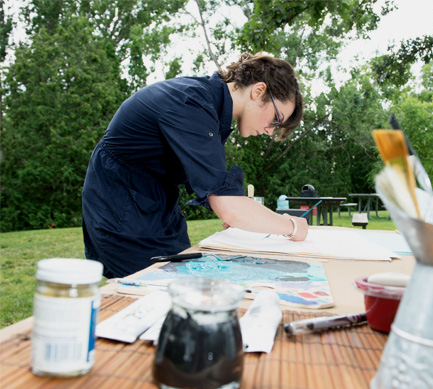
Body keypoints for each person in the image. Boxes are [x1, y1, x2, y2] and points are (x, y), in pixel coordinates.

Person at [82, 52, 308, 279]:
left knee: (187, 286)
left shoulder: (210, 107)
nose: (271, 130)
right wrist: (292, 226)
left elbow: (216, 191)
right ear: (258, 91)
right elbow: (229, 206)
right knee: (155, 296)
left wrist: (236, 209)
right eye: (276, 119)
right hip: (123, 210)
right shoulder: (192, 103)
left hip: (156, 206)